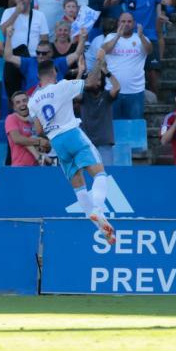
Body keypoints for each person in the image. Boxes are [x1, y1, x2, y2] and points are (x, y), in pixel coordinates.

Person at [27, 59, 116, 244]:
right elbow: (91, 83)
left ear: (38, 76)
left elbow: (39, 129)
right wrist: (99, 61)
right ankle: (98, 209)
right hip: (72, 133)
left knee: (80, 188)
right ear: (54, 72)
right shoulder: (62, 86)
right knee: (100, 174)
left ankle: (102, 228)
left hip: (56, 142)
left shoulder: (33, 100)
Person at [101, 13, 151, 120]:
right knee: (112, 126)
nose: (126, 24)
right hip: (112, 90)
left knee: (135, 126)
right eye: (123, 21)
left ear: (134, 23)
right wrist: (118, 36)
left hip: (135, 91)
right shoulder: (110, 37)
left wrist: (141, 36)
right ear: (118, 23)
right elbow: (105, 50)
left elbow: (149, 50)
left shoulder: (141, 38)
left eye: (129, 21)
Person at [80, 51, 120, 166]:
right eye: (91, 79)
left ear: (102, 82)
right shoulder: (83, 96)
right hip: (87, 145)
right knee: (88, 178)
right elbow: (75, 94)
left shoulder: (106, 96)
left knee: (107, 177)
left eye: (98, 79)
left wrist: (105, 71)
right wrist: (81, 72)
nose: (95, 82)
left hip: (104, 145)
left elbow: (117, 87)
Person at [5, 91, 50, 166]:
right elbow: (17, 139)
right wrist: (39, 142)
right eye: (18, 102)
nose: (22, 104)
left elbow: (47, 145)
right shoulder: (11, 118)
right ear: (14, 108)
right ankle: (40, 158)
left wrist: (44, 145)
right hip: (20, 167)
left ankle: (46, 160)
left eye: (24, 101)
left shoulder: (37, 119)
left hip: (40, 168)